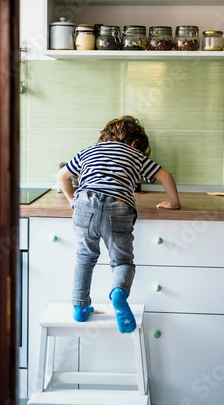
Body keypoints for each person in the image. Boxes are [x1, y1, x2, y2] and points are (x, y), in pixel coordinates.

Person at [57, 115, 181, 333]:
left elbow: (62, 176)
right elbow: (166, 176)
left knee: (85, 258)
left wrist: (74, 202)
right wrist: (174, 203)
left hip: (85, 204)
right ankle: (118, 294)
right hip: (119, 207)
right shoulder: (134, 154)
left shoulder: (89, 150)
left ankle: (79, 307)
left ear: (104, 136)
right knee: (122, 262)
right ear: (135, 144)